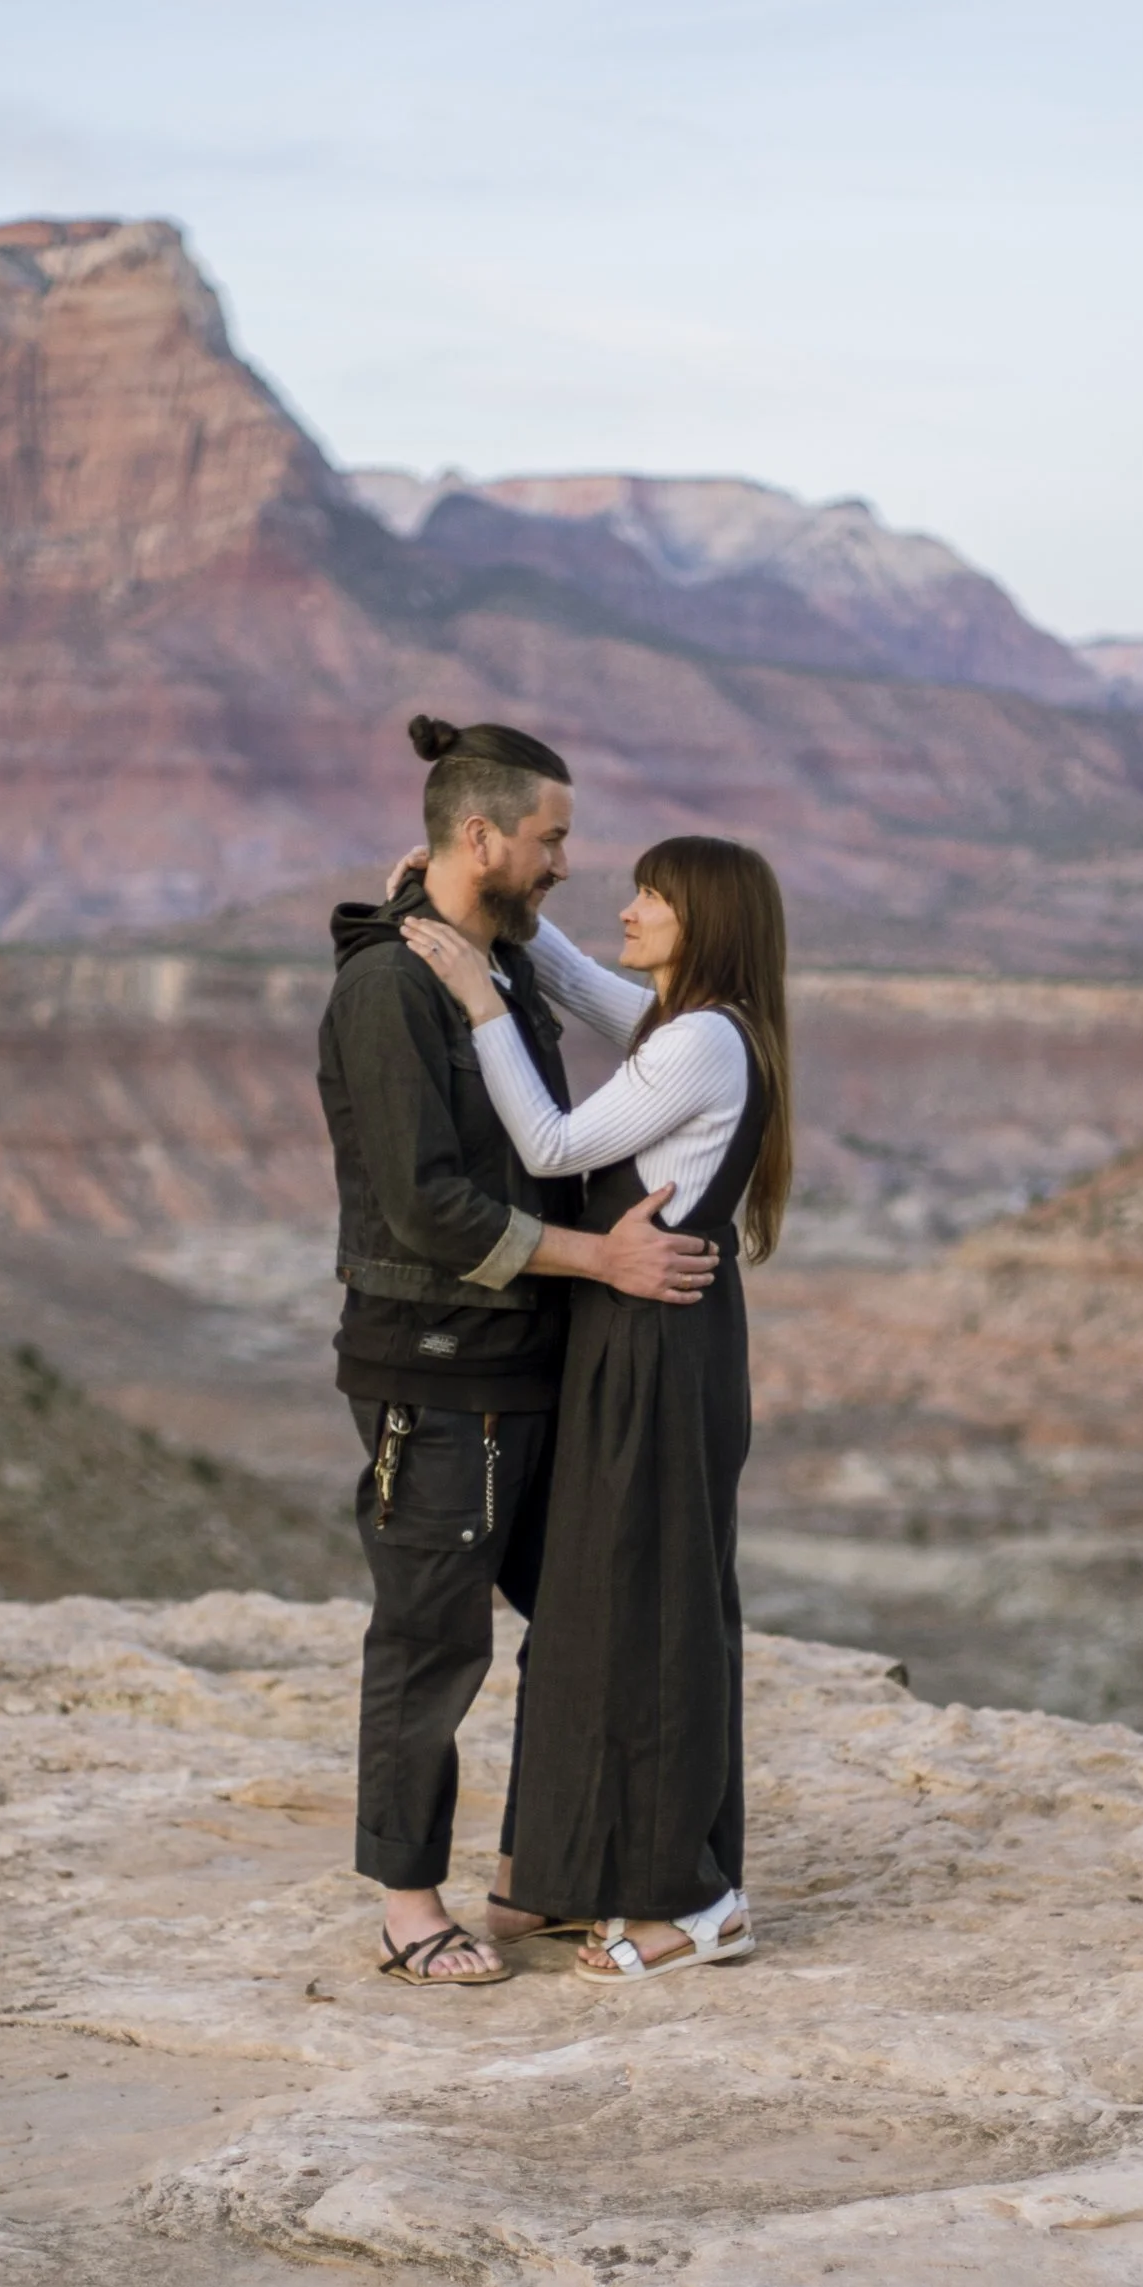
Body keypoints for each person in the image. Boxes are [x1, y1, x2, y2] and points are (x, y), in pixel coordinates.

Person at [316, 718, 715, 1988]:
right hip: (432, 1374)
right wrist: (601, 1261)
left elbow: (621, 1047)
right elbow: (429, 1205)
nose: (562, 865)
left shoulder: (492, 962)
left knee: (587, 1621)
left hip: (529, 1362)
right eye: (548, 840)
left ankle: (539, 1878)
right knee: (432, 1640)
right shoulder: (389, 988)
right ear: (480, 834)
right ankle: (407, 1906)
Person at [402, 834, 794, 1979]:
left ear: (704, 923)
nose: (627, 909)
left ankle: (694, 1900)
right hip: (630, 1336)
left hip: (660, 1348)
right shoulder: (691, 1027)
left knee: (654, 1614)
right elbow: (578, 982)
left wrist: (478, 998)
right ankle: (555, 1870)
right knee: (588, 1601)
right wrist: (491, 905)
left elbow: (553, 1141)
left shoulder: (705, 1045)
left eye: (652, 900)